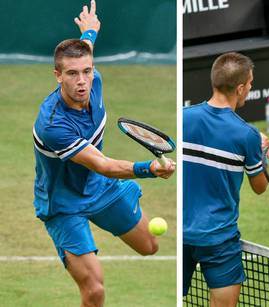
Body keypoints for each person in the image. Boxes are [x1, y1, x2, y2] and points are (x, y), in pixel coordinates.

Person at [32, 1, 175, 306]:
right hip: (64, 204)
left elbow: (84, 50)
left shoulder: (94, 80)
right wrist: (149, 168)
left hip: (100, 190)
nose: (81, 81)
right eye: (72, 74)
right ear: (57, 75)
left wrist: (89, 32)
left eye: (86, 71)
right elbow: (103, 165)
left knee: (150, 246)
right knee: (94, 290)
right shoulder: (52, 125)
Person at [182, 52, 268, 307]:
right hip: (219, 239)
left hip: (183, 236)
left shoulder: (183, 117)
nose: (250, 88)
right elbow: (260, 187)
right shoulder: (247, 135)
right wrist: (260, 153)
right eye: (250, 83)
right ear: (240, 88)